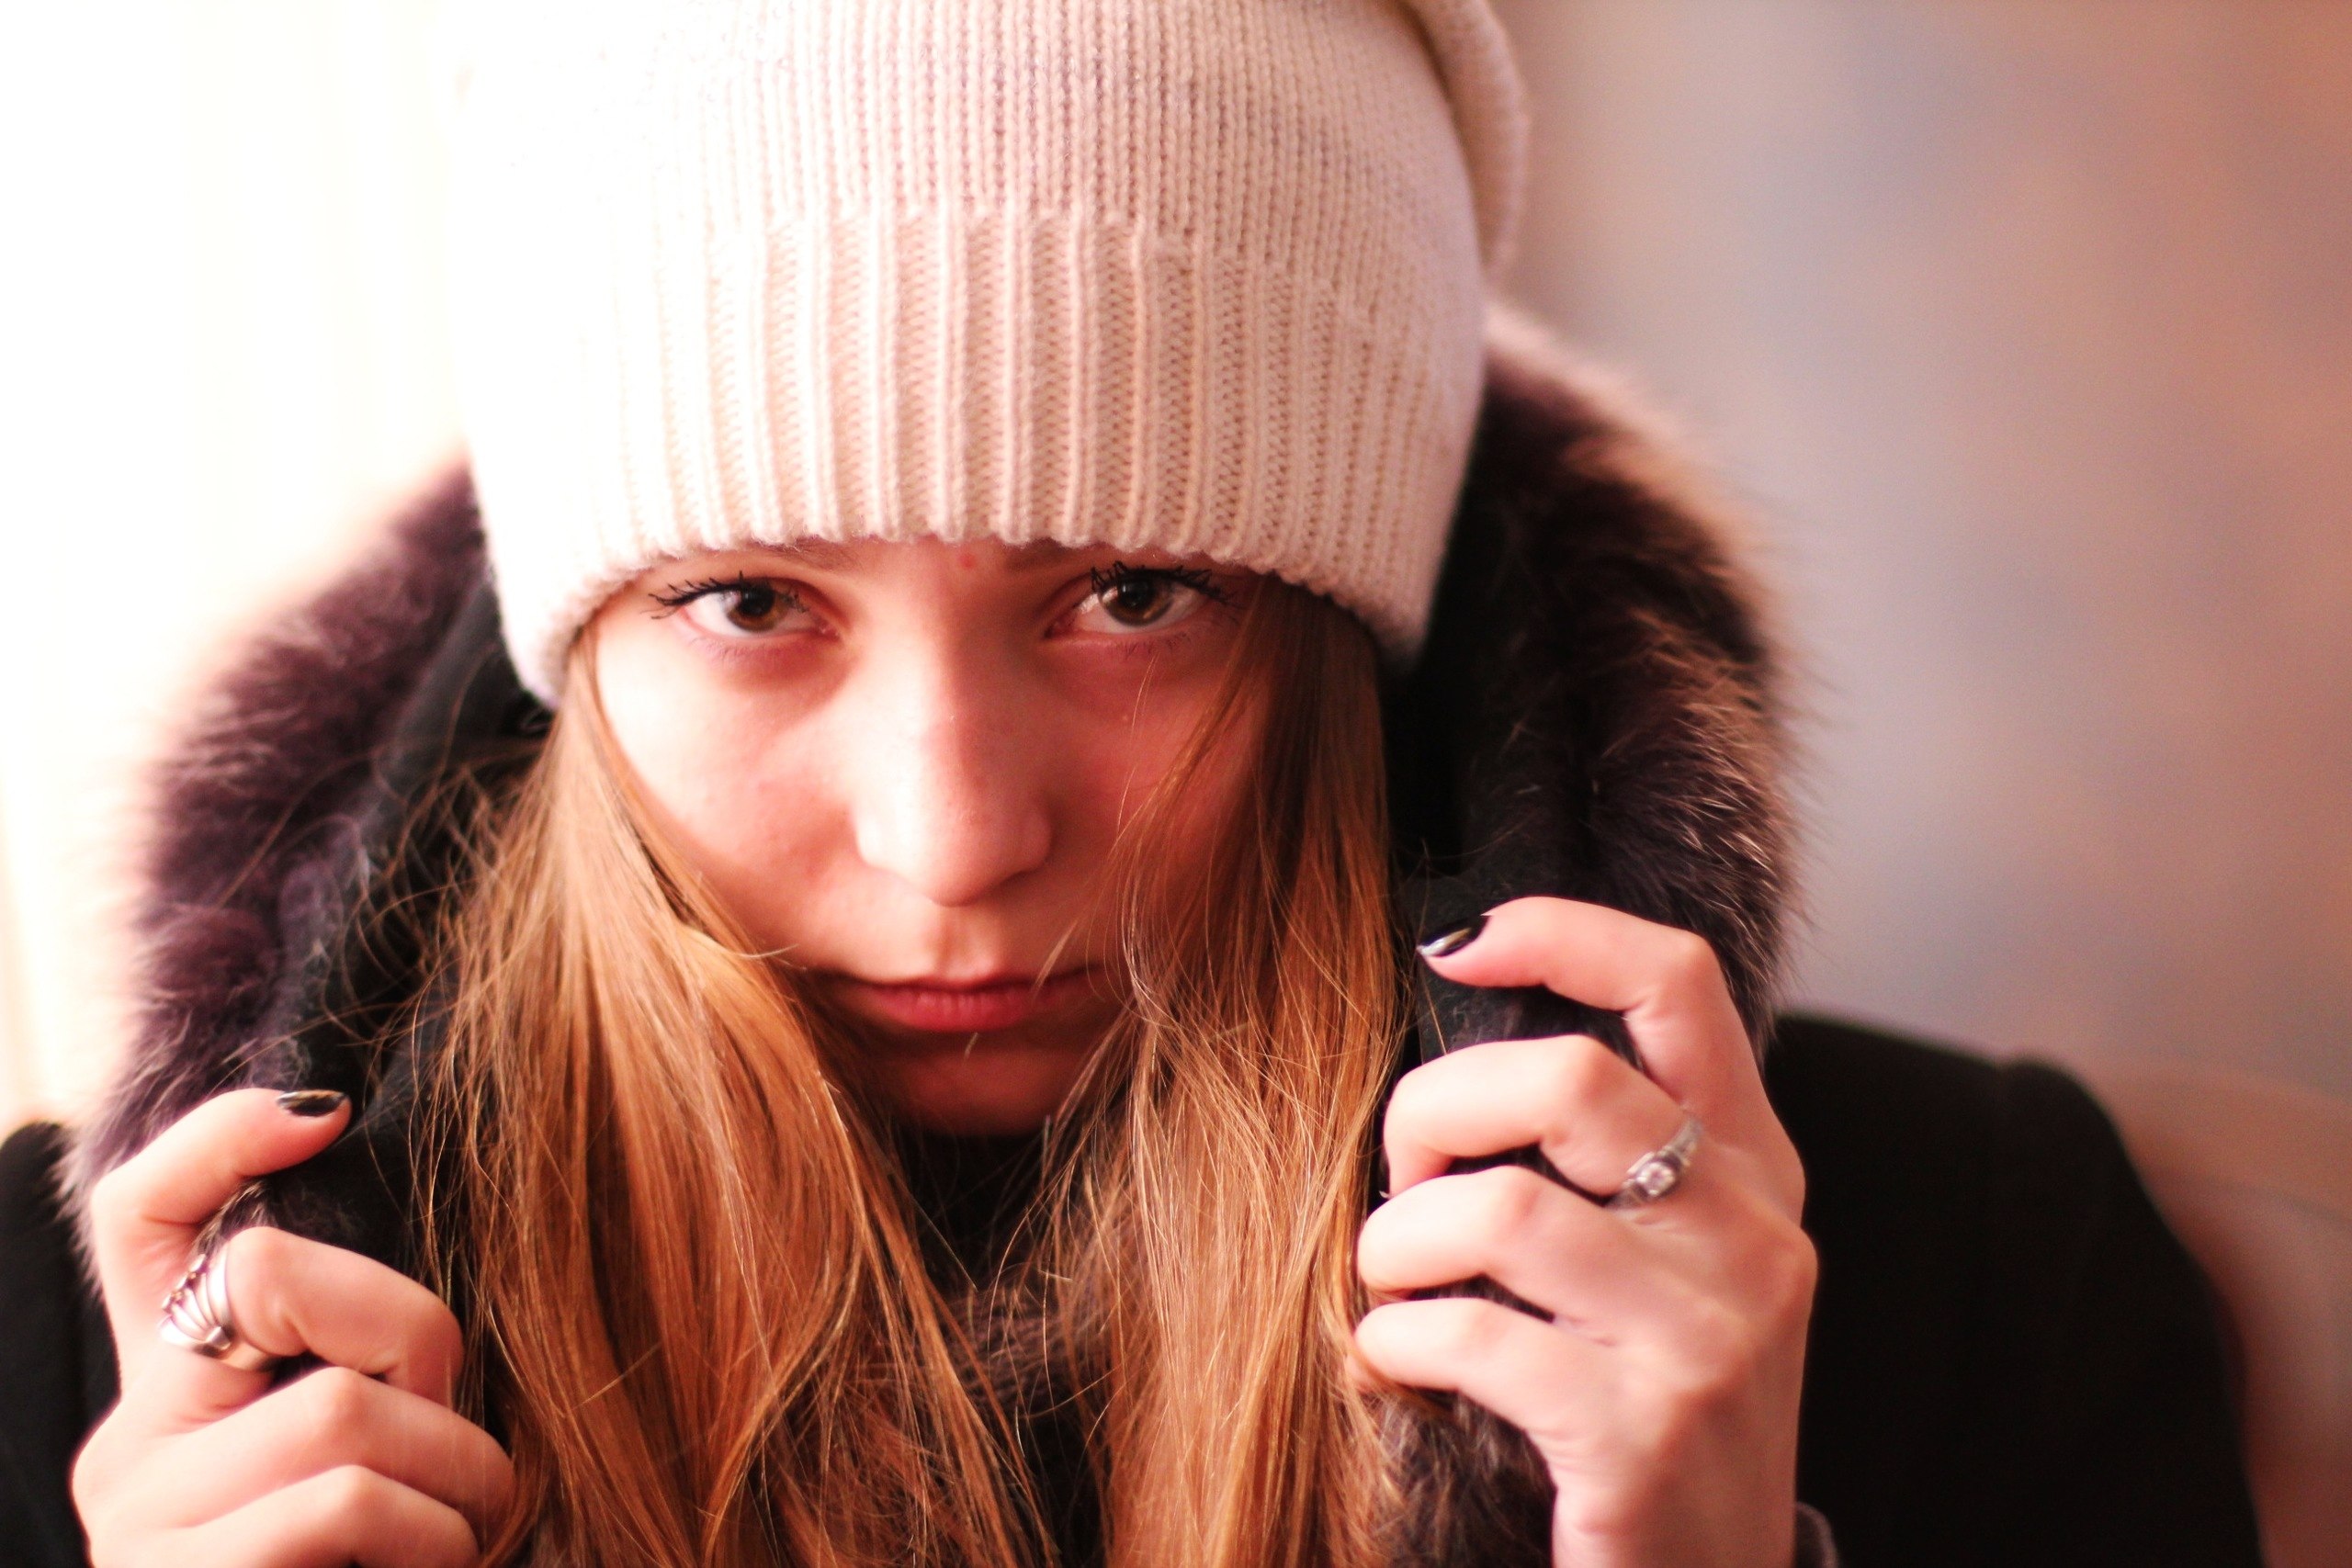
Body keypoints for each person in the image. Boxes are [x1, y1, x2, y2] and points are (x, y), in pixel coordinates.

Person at [0, 3, 2263, 1565]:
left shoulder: (1969, 1269)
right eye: (750, 599)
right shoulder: (99, 1368)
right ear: (568, 644)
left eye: (1133, 590)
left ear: (1351, 620)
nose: (955, 834)